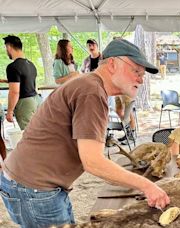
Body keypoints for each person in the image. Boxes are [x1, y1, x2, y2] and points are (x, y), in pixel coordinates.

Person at [0, 39, 170, 227]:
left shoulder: (90, 86)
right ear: (112, 64)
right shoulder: (92, 91)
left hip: (34, 185)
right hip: (34, 189)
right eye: (136, 71)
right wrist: (146, 185)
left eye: (143, 74)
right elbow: (93, 162)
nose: (141, 78)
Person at [3, 35, 40, 130]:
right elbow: (25, 81)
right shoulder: (31, 64)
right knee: (36, 131)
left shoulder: (13, 67)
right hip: (35, 100)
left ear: (9, 47)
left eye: (6, 49)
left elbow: (14, 92)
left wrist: (10, 111)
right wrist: (4, 81)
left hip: (24, 103)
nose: (6, 51)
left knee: (28, 134)